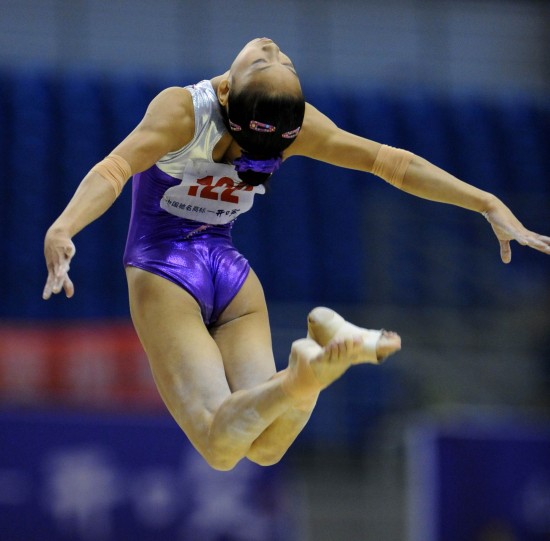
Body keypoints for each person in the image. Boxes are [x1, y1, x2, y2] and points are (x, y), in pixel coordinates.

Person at [43, 38, 550, 470]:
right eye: (273, 61)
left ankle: (308, 367)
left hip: (164, 270)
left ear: (225, 89)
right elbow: (388, 163)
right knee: (263, 447)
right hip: (231, 274)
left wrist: (65, 227)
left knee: (222, 446)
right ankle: (310, 364)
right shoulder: (288, 127)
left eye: (275, 62)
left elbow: (114, 169)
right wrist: (484, 201)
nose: (274, 50)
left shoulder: (182, 109)